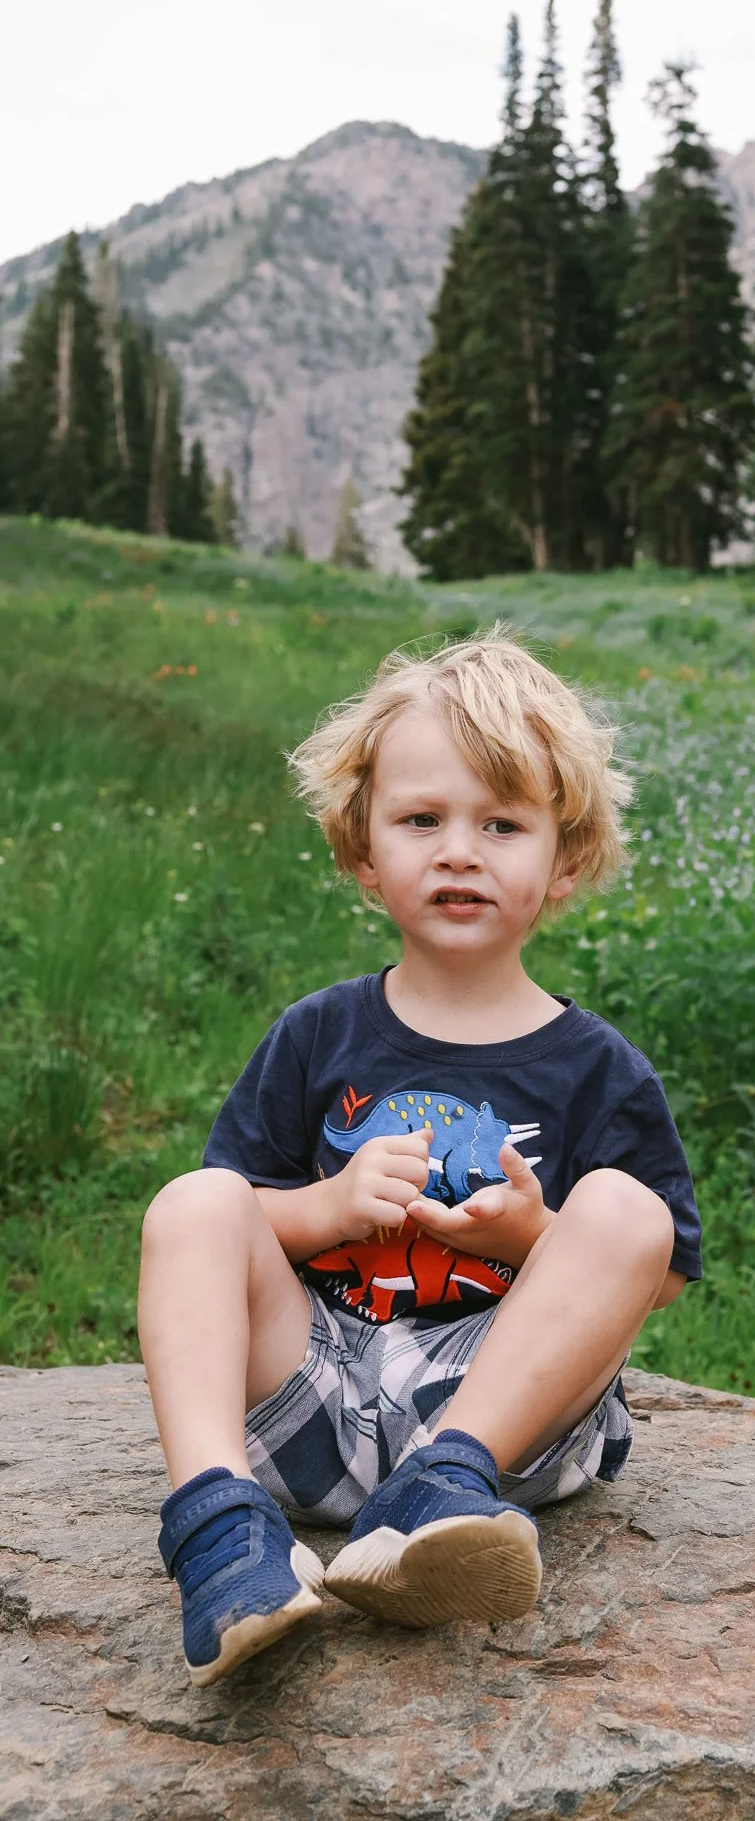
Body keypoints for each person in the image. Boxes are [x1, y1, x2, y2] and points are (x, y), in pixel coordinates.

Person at [138, 633, 701, 1686]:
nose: (459, 851)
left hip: (492, 1418)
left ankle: (434, 1495)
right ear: (362, 854)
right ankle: (223, 1529)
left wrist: (531, 1234)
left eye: (502, 823)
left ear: (565, 857)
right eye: (420, 820)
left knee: (626, 1209)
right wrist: (333, 1204)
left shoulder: (598, 1069)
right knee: (194, 1201)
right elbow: (239, 1221)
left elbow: (656, 1276)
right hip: (313, 1397)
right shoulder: (317, 1033)